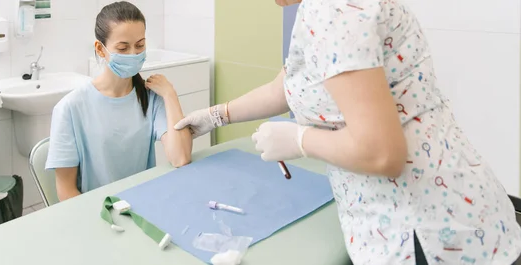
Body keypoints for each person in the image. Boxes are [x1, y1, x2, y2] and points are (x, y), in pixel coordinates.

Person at [175, 0, 521, 264]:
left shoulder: (332, 10)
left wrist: (300, 140)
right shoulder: (320, 8)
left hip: (426, 234)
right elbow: (290, 85)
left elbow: (382, 153)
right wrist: (217, 115)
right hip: (456, 209)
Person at [46, 1, 192, 201]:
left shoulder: (150, 98)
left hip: (143, 206)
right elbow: (66, 192)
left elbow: (180, 158)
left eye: (140, 45)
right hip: (96, 214)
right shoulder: (70, 108)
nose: (134, 54)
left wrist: (170, 95)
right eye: (123, 48)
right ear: (100, 49)